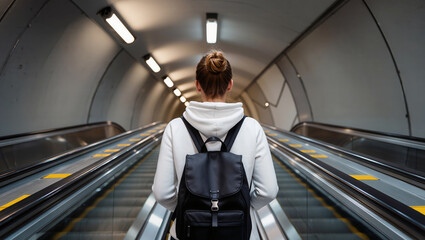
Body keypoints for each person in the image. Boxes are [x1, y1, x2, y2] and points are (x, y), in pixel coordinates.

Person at [152, 50, 278, 239]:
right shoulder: (252, 128)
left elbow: (162, 193)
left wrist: (188, 209)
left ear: (197, 85)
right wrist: (240, 207)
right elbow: (268, 191)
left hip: (189, 232)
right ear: (230, 85)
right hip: (238, 231)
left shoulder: (175, 128)